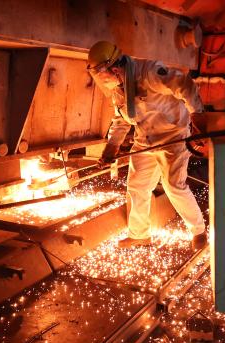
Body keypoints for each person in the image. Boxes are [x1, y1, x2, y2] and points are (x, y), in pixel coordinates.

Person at [87, 40, 207, 250]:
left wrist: (197, 115)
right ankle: (139, 234)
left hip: (174, 136)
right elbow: (122, 118)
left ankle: (198, 230)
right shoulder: (118, 86)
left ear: (114, 69)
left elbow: (184, 85)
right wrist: (111, 148)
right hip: (145, 139)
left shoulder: (149, 72)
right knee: (137, 186)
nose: (102, 81)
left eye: (102, 75)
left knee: (174, 187)